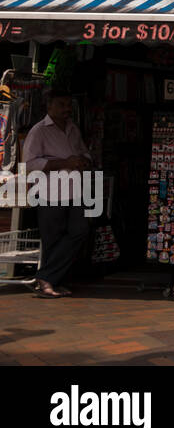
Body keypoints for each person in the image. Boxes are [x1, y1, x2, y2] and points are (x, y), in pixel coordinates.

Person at [21, 94, 91, 298]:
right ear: (49, 106)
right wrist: (64, 163)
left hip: (74, 190)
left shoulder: (72, 128)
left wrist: (84, 161)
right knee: (52, 238)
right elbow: (29, 164)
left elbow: (83, 152)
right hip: (49, 192)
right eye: (61, 104)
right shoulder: (39, 131)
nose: (66, 108)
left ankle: (47, 276)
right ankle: (49, 283)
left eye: (69, 104)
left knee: (80, 230)